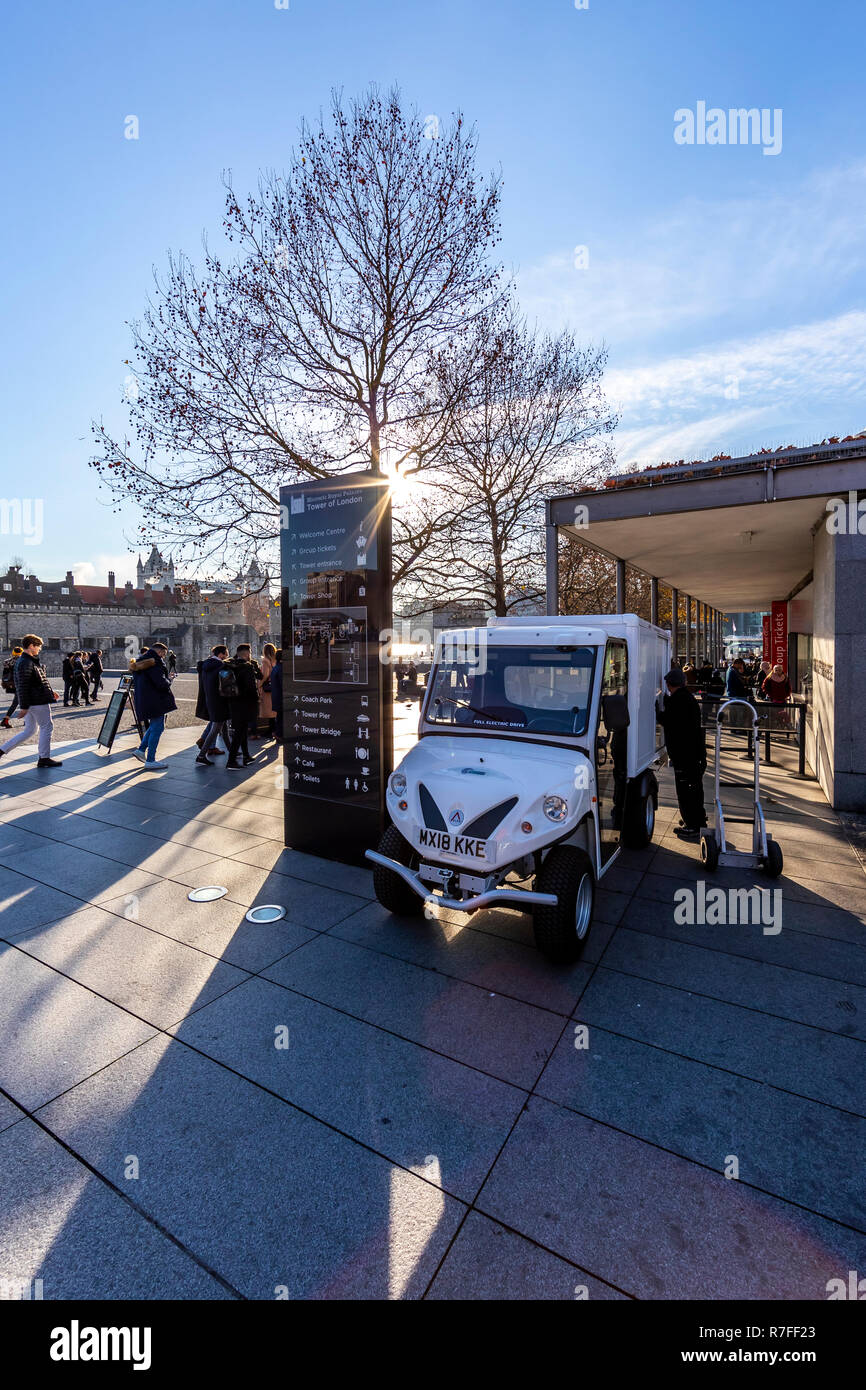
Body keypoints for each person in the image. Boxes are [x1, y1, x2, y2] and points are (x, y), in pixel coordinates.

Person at [656, 666, 707, 838]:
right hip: (694, 753)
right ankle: (697, 821)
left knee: (685, 791)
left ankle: (693, 824)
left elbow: (667, 720)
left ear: (670, 685)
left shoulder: (678, 701)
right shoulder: (687, 698)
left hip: (684, 754)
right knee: (694, 789)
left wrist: (657, 710)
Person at [0, 635, 62, 768]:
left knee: (30, 730)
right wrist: (24, 706)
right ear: (31, 646)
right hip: (37, 701)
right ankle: (44, 758)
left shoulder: (27, 661)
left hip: (33, 700)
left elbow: (37, 681)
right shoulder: (26, 662)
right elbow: (23, 685)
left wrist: (50, 692)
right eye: (38, 646)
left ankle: (2, 750)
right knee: (47, 727)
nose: (40, 649)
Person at [129, 642, 176, 769]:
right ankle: (150, 759)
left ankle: (141, 750)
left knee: (155, 726)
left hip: (146, 699)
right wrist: (170, 680)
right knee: (158, 728)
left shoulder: (141, 661)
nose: (163, 657)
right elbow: (160, 683)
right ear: (159, 652)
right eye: (163, 654)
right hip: (155, 700)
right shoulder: (155, 662)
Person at [224, 644, 260, 769]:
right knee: (239, 732)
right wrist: (256, 701)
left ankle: (246, 756)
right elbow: (251, 687)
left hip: (233, 702)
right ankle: (231, 761)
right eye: (249, 653)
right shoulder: (247, 667)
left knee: (242, 730)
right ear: (246, 653)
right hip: (246, 703)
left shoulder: (229, 665)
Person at [196, 644, 231, 766]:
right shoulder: (221, 666)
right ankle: (201, 756)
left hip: (210, 700)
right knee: (215, 729)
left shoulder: (206, 665)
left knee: (224, 728)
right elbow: (226, 685)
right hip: (219, 701)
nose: (227, 656)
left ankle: (232, 751)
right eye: (226, 653)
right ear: (221, 654)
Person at [1, 645, 23, 727]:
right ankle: (28, 721)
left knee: (17, 702)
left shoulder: (7, 661)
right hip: (21, 684)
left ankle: (5, 720)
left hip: (11, 684)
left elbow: (4, 674)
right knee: (23, 702)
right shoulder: (22, 661)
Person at [259, 642, 276, 739]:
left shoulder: (265, 661)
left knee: (269, 710)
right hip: (274, 687)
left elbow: (265, 675)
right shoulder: (275, 660)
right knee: (274, 711)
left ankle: (271, 730)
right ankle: (273, 729)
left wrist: (259, 684)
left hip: (267, 688)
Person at [270, 649, 283, 743]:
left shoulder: (275, 667)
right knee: (282, 717)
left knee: (279, 716)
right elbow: (283, 684)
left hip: (275, 696)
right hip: (281, 697)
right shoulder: (281, 668)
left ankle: (277, 733)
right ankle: (279, 734)